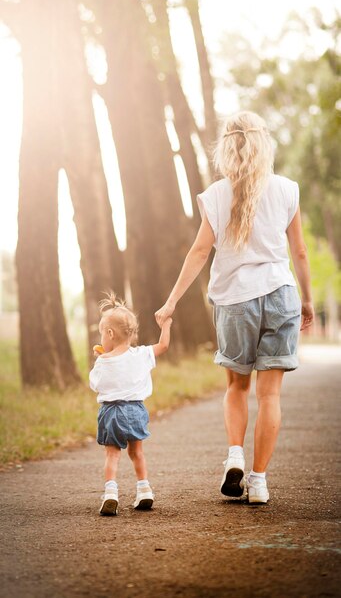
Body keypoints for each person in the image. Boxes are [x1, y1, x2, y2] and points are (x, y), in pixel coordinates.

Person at [155, 110, 314, 504]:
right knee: (271, 396)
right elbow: (300, 252)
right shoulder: (286, 189)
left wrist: (171, 301)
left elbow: (198, 252)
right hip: (280, 295)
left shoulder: (216, 195)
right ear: (264, 143)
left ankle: (234, 456)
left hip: (235, 300)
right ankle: (258, 482)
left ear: (226, 147)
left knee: (236, 386)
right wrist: (307, 299)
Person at [90, 292, 172, 515]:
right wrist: (166, 324)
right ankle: (144, 489)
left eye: (102, 335)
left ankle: (111, 493)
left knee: (112, 455)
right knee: (137, 453)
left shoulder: (103, 361)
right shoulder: (142, 354)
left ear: (109, 333)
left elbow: (95, 384)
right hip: (136, 410)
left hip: (110, 412)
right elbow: (163, 345)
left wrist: (99, 360)